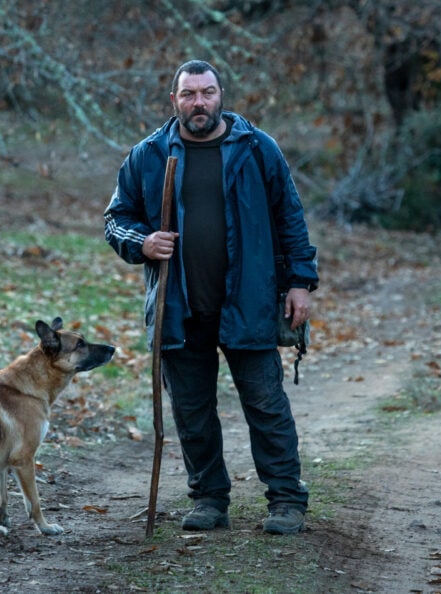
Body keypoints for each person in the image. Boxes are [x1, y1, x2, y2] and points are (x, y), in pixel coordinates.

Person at [103, 60, 319, 535]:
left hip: (249, 301)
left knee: (265, 404)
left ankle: (286, 499)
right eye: (188, 94)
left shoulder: (257, 149)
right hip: (180, 307)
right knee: (192, 410)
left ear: (221, 95)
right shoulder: (149, 155)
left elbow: (290, 218)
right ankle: (209, 499)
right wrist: (142, 242)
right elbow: (115, 218)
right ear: (174, 100)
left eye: (207, 92)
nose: (198, 102)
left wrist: (300, 281)